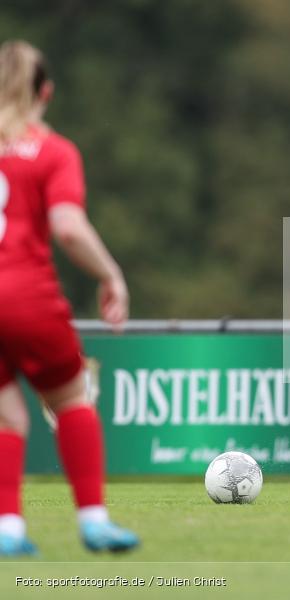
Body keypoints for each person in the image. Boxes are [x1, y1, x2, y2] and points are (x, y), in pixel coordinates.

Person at [0, 40, 139, 556]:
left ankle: (9, 529)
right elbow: (68, 227)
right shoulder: (54, 150)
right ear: (47, 92)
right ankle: (93, 521)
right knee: (71, 397)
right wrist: (112, 275)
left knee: (7, 416)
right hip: (24, 296)